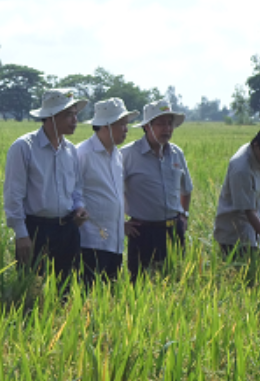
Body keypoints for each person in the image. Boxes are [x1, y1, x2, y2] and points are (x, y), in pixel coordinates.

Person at [3, 88, 89, 283]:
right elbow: (13, 194)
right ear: (51, 116)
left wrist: (79, 207)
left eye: (75, 114)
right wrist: (21, 234)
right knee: (33, 291)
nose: (75, 120)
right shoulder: (23, 147)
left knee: (66, 290)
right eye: (68, 115)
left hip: (67, 230)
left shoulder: (71, 151)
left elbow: (76, 188)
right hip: (36, 230)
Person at [121, 100, 193, 281]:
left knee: (174, 281)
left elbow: (187, 189)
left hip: (173, 230)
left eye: (169, 123)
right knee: (139, 284)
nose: (166, 128)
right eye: (160, 123)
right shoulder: (128, 154)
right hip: (142, 231)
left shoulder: (177, 153)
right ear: (146, 126)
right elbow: (112, 191)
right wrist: (120, 223)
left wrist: (184, 215)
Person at [77, 98, 138, 284]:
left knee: (109, 298)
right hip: (90, 243)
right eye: (121, 124)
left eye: (126, 124)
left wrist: (121, 223)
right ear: (105, 126)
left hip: (115, 243)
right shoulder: (83, 153)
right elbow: (73, 191)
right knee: (89, 299)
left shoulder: (117, 156)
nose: (126, 129)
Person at [213, 125, 260, 261]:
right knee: (242, 278)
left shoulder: (255, 154)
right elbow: (248, 211)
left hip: (250, 231)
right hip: (235, 237)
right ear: (257, 145)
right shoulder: (242, 169)